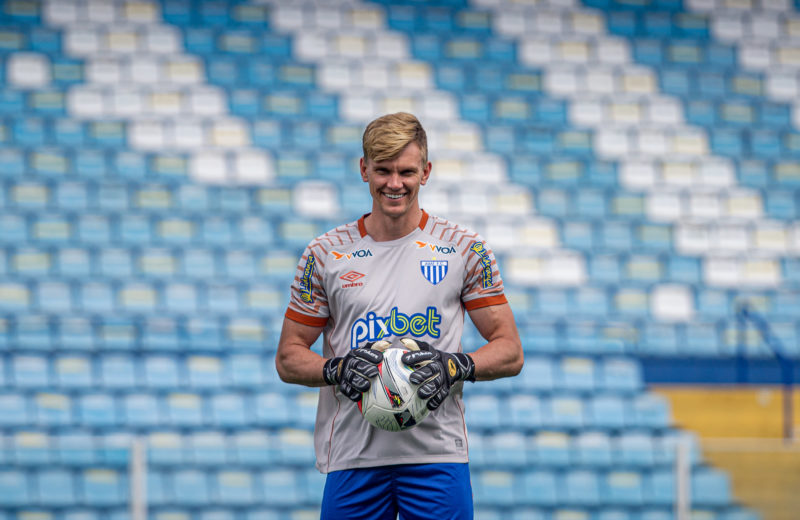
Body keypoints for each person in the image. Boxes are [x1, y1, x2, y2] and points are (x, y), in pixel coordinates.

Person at [275, 112, 523, 520]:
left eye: (406, 171)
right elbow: (288, 357)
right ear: (363, 169)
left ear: (426, 172)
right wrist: (336, 369)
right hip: (353, 458)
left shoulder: (465, 248)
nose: (395, 183)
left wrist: (456, 365)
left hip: (437, 456)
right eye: (383, 170)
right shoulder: (324, 253)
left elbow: (510, 351)